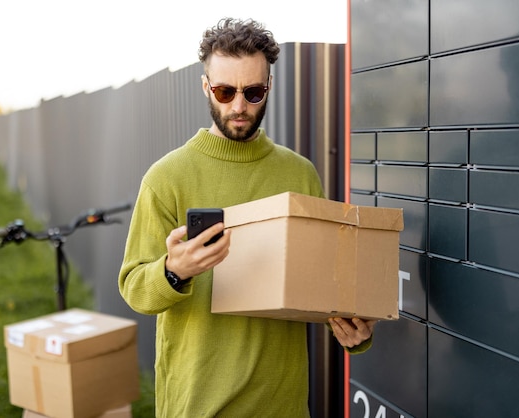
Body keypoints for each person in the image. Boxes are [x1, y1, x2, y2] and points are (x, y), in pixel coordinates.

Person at [118, 17, 376, 417]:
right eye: (224, 91)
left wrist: (351, 330)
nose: (238, 106)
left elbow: (324, 282)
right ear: (206, 87)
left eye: (253, 92)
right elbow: (134, 288)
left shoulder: (299, 173)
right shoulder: (166, 178)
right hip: (199, 405)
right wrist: (173, 269)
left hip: (282, 404)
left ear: (268, 88)